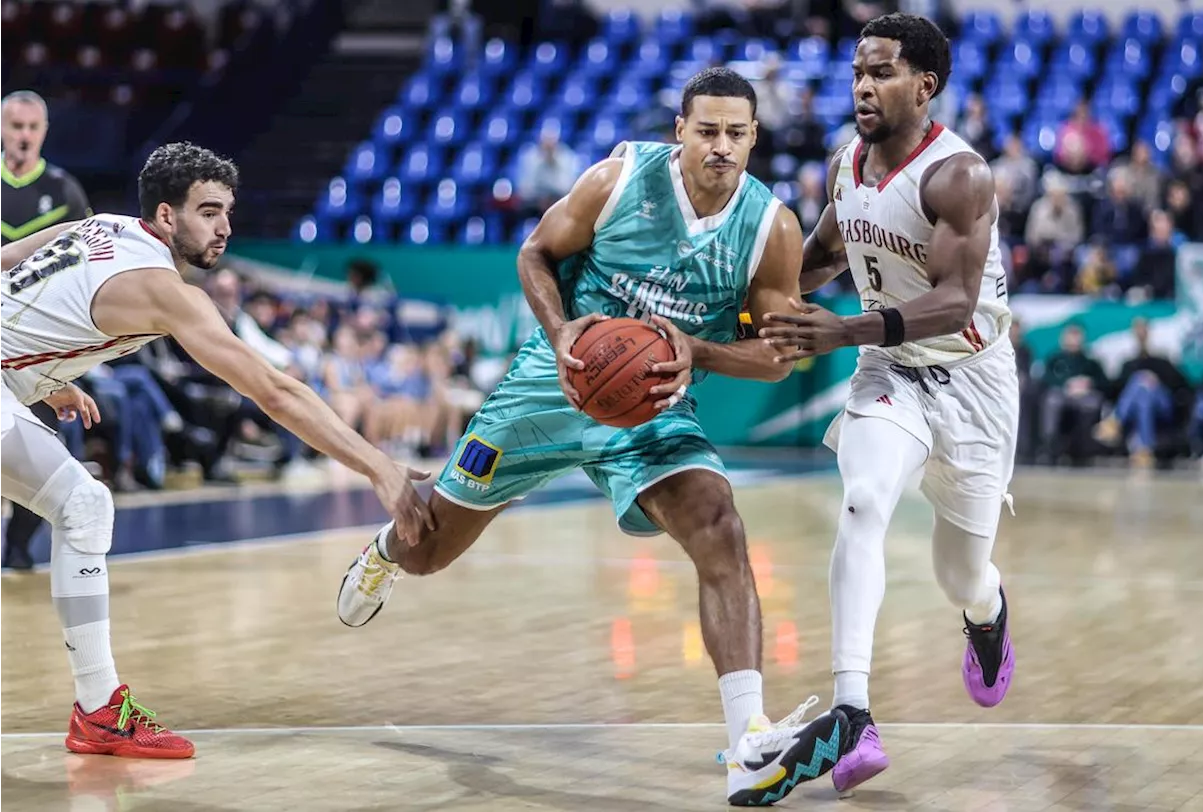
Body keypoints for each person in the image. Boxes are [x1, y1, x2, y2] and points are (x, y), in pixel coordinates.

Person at [334, 67, 851, 807]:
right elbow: (534, 254)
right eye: (707, 130)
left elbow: (777, 355)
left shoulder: (770, 226)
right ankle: (385, 550)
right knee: (426, 552)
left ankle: (748, 744)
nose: (721, 146)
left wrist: (694, 353)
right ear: (680, 130)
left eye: (736, 133)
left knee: (718, 525)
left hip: (652, 403)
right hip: (554, 383)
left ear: (754, 138)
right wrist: (562, 329)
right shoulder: (618, 178)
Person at [0, 141, 429, 759]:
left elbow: (11, 264)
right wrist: (377, 466)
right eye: (207, 211)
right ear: (167, 217)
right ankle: (99, 713)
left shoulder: (101, 226)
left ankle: (98, 711)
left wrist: (37, 375)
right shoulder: (165, 290)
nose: (224, 228)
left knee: (84, 505)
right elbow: (277, 393)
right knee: (84, 506)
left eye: (227, 211)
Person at [757, 13, 1017, 793]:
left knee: (958, 575)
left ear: (925, 86)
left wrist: (842, 330)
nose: (863, 88)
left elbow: (956, 302)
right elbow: (825, 258)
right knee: (864, 502)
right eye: (857, 74)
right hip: (890, 365)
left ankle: (987, 610)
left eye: (882, 74)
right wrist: (752, 300)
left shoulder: (959, 176)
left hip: (972, 379)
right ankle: (852, 712)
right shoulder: (849, 164)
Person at [0, 90, 93, 571]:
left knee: (49, 448)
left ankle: (17, 544)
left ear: (44, 131)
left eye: (32, 127)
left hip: (42, 345)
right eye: (15, 126)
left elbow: (85, 268)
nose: (23, 136)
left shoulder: (64, 190)